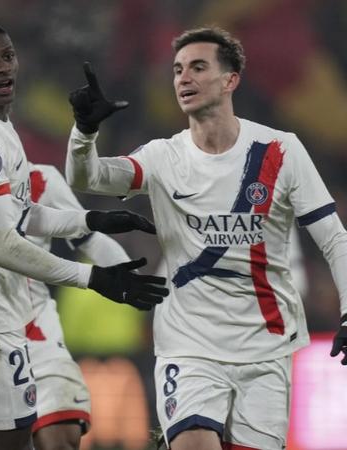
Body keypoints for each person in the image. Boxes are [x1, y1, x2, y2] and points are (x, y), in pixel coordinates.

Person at [65, 27, 347, 450]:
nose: (183, 78)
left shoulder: (281, 151)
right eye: (178, 70)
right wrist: (84, 133)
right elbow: (87, 176)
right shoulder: (163, 156)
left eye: (198, 67)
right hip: (189, 346)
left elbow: (333, 238)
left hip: (266, 349)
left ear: (230, 79)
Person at [0, 20, 168, 450]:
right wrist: (97, 279)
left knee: (57, 434)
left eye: (7, 57)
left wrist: (101, 238)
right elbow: (3, 243)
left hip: (35, 335)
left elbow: (71, 233)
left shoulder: (35, 176)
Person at [25, 163, 133, 450]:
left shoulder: (41, 179)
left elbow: (88, 236)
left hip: (38, 337)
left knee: (63, 434)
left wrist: (131, 278)